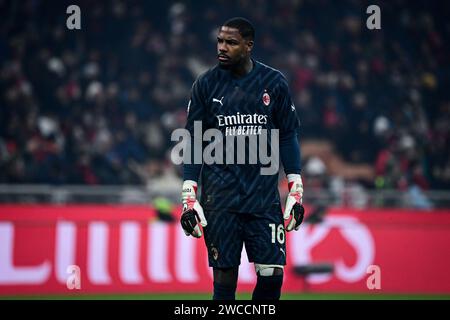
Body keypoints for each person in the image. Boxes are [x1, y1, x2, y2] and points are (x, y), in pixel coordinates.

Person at [180, 17, 304, 300]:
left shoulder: (274, 82)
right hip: (220, 198)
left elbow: (288, 134)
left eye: (231, 43)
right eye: (220, 41)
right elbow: (195, 141)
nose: (222, 48)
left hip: (263, 197)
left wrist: (295, 187)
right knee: (225, 279)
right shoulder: (205, 85)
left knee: (272, 276)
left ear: (249, 46)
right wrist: (189, 192)